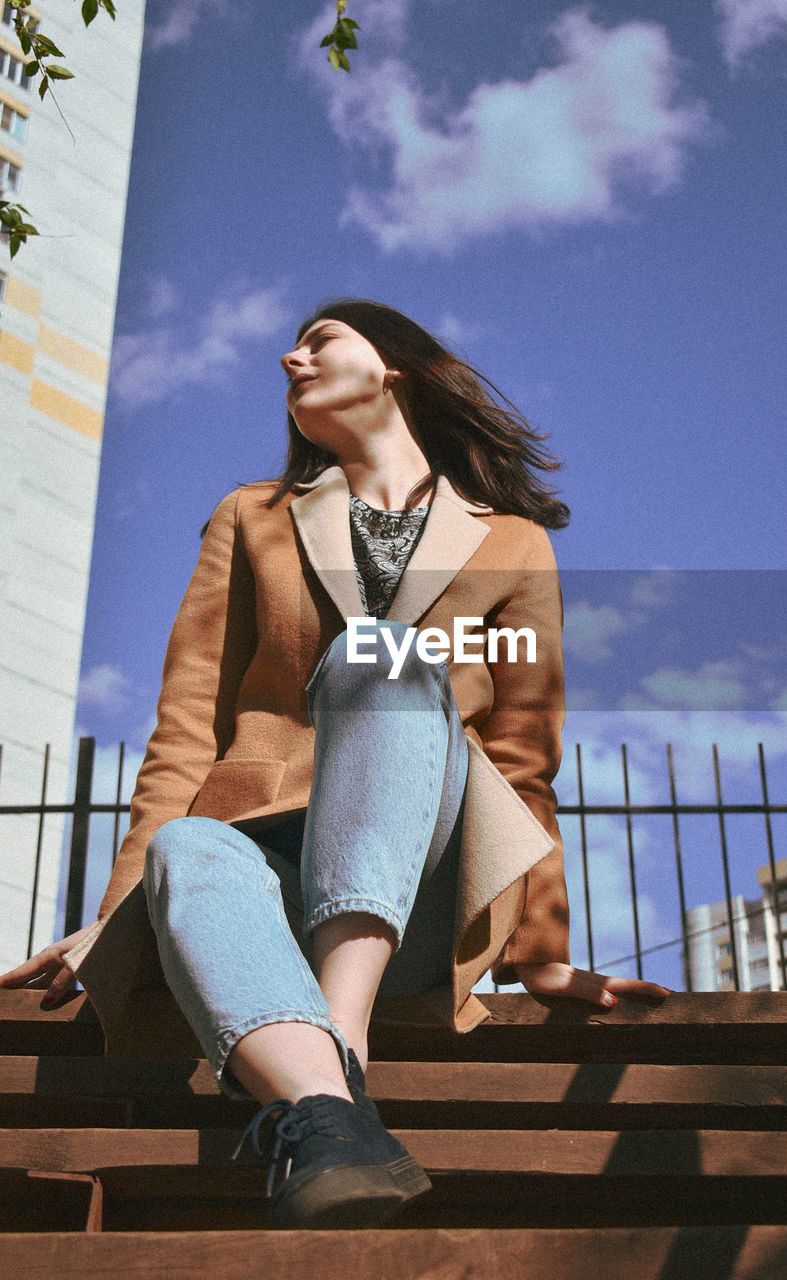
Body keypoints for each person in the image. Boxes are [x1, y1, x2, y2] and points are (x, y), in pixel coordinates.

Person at [0, 299, 668, 1228]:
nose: (290, 357)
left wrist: (538, 953)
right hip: (262, 881)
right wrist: (119, 915)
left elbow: (522, 757)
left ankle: (339, 1038)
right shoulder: (251, 518)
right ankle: (326, 1115)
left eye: (319, 341)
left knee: (378, 659)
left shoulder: (512, 543)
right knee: (190, 849)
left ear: (393, 366)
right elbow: (188, 726)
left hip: (422, 891)